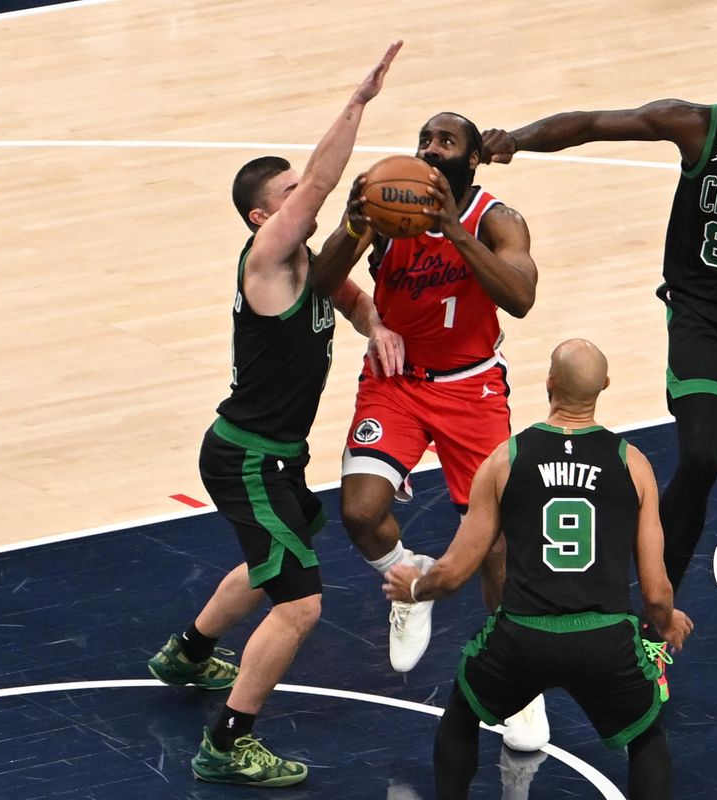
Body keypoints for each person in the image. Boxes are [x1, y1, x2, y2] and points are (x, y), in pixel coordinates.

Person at [481, 22, 717, 691]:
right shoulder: (697, 127)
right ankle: (655, 628)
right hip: (700, 315)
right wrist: (517, 138)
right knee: (700, 459)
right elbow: (595, 123)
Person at [144, 41, 404, 788]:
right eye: (288, 194)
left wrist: (377, 326)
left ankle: (189, 653)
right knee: (301, 605)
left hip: (273, 453)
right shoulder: (266, 259)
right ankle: (228, 742)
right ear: (265, 216)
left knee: (274, 563)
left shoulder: (308, 270)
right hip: (248, 455)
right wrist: (357, 103)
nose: (304, 199)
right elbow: (323, 182)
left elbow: (348, 295)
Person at [313, 112, 548, 748]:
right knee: (360, 513)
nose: (430, 150)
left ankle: (513, 678)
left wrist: (455, 235)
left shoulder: (497, 220)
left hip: (472, 387)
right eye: (425, 139)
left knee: (494, 542)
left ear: (472, 160)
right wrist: (356, 230)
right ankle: (409, 582)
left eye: (446, 142)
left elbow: (522, 299)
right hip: (396, 380)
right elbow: (320, 276)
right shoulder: (386, 201)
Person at [384, 339, 693, 800]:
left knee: (462, 714)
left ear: (548, 383)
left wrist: (415, 587)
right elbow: (655, 590)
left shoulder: (505, 459)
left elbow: (453, 572)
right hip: (604, 640)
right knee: (647, 735)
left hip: (523, 636)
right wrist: (667, 622)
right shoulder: (633, 464)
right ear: (605, 387)